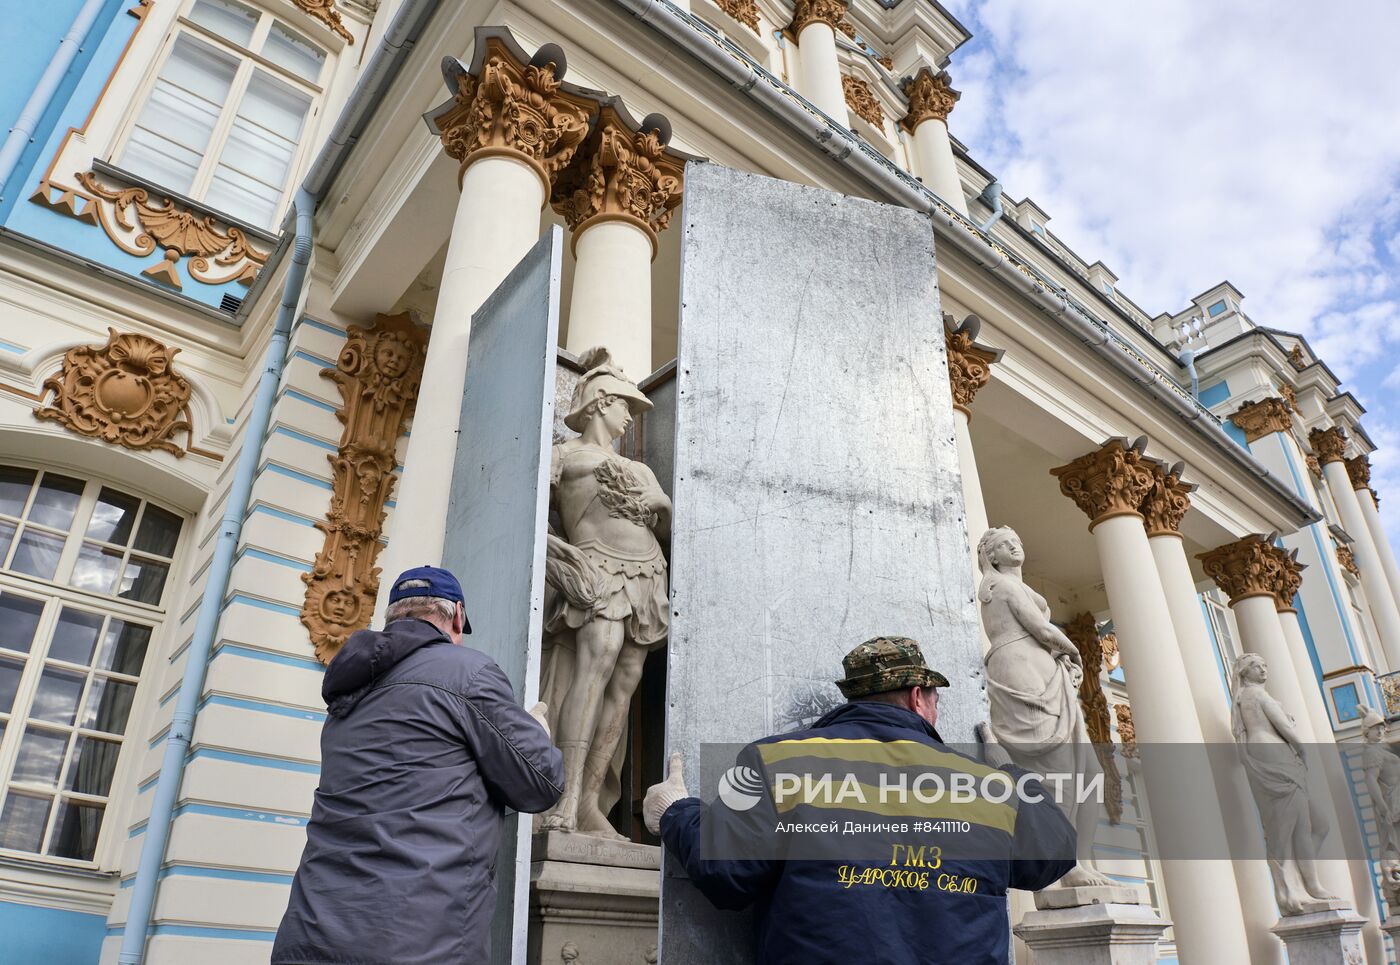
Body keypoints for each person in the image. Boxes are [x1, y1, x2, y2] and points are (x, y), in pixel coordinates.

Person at [644, 636, 1077, 965]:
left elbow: (728, 873)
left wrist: (675, 811)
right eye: (936, 698)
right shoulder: (986, 787)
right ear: (917, 697)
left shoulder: (782, 761)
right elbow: (1054, 853)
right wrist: (1013, 773)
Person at [272, 566, 563, 965]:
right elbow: (542, 781)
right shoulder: (468, 674)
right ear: (457, 616)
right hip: (419, 943)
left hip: (312, 934)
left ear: (393, 617)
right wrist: (536, 734)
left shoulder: (347, 696)